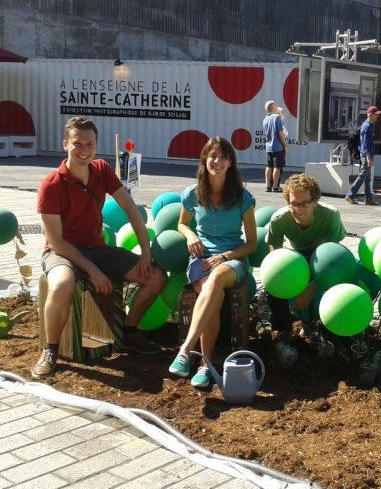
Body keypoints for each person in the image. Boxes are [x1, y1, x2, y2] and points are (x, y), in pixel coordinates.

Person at [34, 116, 166, 379]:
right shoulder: (51, 184)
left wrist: (146, 254)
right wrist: (92, 270)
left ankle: (129, 332)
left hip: (96, 248)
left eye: (89, 144)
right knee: (61, 285)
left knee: (156, 277)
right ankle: (50, 350)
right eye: (77, 144)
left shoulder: (102, 170)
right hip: (61, 252)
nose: (83, 151)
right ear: (65, 145)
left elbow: (131, 211)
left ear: (96, 145)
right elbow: (57, 241)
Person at [169, 137, 257, 388]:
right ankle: (205, 365)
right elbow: (181, 223)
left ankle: (186, 350)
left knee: (216, 279)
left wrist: (225, 256)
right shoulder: (193, 193)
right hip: (201, 259)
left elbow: (251, 243)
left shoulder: (243, 198)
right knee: (213, 295)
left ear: (230, 163)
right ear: (204, 160)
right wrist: (191, 235)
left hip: (233, 260)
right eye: (212, 156)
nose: (217, 161)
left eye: (222, 157)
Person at [265, 173, 346, 362]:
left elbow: (334, 259)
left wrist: (312, 287)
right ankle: (283, 331)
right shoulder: (279, 219)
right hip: (295, 255)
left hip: (323, 255)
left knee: (336, 280)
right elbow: (274, 258)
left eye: (305, 203)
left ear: (315, 201)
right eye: (294, 203)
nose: (298, 209)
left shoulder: (330, 215)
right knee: (274, 281)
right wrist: (281, 283)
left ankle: (324, 328)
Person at [345, 105, 381, 206]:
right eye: (375, 114)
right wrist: (368, 158)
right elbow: (365, 143)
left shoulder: (366, 125)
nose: (377, 116)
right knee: (362, 176)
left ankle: (368, 198)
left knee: (367, 177)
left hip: (365, 155)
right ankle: (350, 195)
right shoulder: (368, 126)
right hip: (366, 155)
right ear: (370, 114)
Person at [263, 100, 288, 192]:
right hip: (277, 146)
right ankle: (275, 187)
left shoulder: (265, 119)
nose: (277, 106)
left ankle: (267, 186)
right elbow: (280, 133)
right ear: (272, 107)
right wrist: (285, 145)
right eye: (275, 105)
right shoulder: (276, 117)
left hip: (268, 146)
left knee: (269, 166)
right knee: (277, 167)